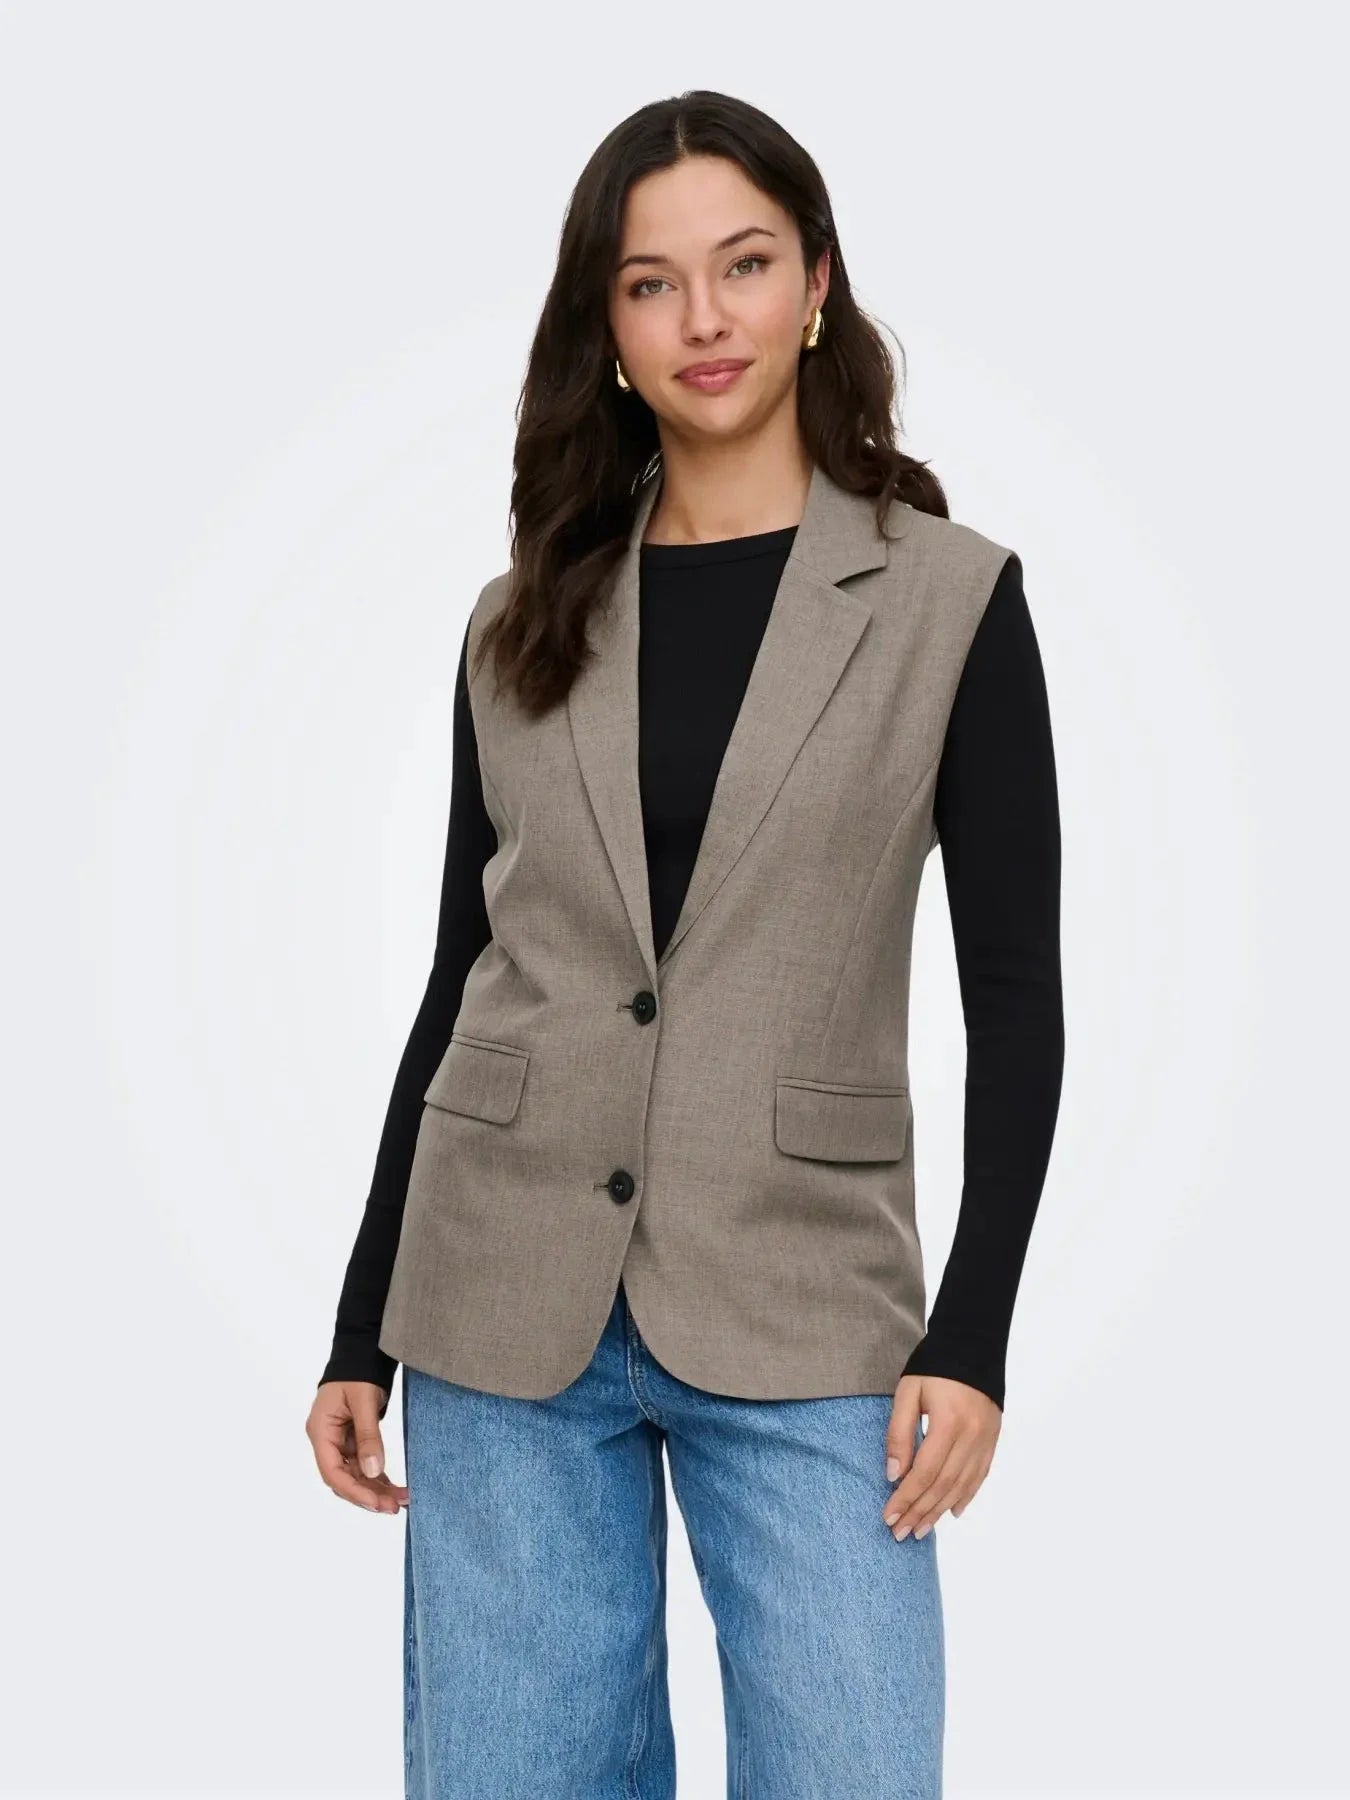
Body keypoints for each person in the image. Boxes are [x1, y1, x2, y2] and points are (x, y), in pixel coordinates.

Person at [306, 89, 1063, 1800]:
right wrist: (362, 1329)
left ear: (816, 285)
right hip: (499, 1300)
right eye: (651, 283)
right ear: (607, 323)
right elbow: (459, 976)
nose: (702, 318)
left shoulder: (949, 600)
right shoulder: (521, 618)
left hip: (806, 1300)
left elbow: (1015, 1000)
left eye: (743, 265)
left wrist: (973, 1336)